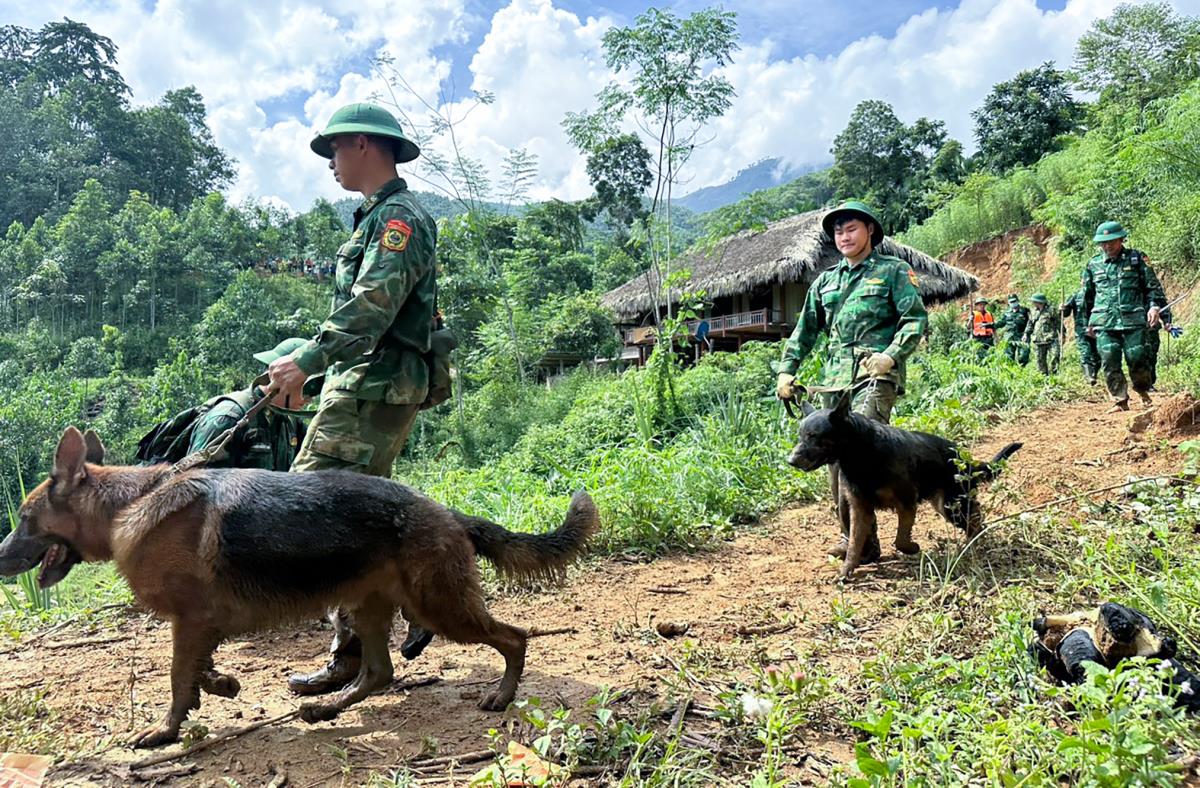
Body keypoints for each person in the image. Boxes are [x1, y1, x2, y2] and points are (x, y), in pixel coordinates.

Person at [267, 102, 440, 697]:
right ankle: (398, 613)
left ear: (365, 144)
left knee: (316, 512)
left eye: (335, 149)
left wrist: (308, 360)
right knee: (348, 516)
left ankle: (373, 637)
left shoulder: (400, 221)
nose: (331, 163)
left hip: (374, 387)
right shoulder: (372, 219)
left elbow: (372, 306)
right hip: (362, 385)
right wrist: (314, 372)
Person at [776, 200, 928, 563]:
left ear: (870, 230)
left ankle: (887, 523)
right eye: (838, 231)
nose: (843, 236)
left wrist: (891, 354)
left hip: (875, 377)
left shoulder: (893, 272)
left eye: (851, 229)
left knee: (866, 448)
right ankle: (857, 539)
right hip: (834, 384)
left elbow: (914, 319)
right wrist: (786, 370)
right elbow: (804, 331)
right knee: (834, 454)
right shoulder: (826, 281)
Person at [135, 338, 312, 470]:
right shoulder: (229, 418)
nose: (311, 398)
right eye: (307, 388)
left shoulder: (290, 422)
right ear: (282, 380)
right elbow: (192, 491)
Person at [1080, 221, 1166, 411]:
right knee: (1109, 358)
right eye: (1103, 243)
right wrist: (1086, 324)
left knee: (1137, 356)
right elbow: (1086, 298)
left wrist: (1154, 307)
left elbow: (1152, 287)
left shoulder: (1137, 259)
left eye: (1111, 242)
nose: (1107, 246)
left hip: (1133, 319)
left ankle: (1143, 390)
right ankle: (1120, 400)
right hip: (1104, 321)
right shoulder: (1093, 264)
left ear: (1121, 239)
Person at [1060, 289, 1100, 385]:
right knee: (1085, 352)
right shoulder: (1075, 295)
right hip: (1081, 330)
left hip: (1097, 329)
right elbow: (1066, 313)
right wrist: (1062, 309)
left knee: (1098, 355)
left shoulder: (1099, 293)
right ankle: (1089, 377)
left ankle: (1094, 374)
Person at [1023, 293, 1061, 375]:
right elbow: (1030, 324)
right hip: (1038, 340)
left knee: (1055, 356)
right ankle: (1044, 378)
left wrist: (1063, 333)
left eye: (1034, 301)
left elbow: (1058, 322)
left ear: (1039, 302)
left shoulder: (1051, 310)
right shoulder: (1033, 311)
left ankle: (1055, 375)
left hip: (1051, 338)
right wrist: (1026, 334)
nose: (1032, 303)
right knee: (1040, 361)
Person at [994, 294, 1031, 365]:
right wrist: (992, 325)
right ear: (1008, 303)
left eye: (1014, 301)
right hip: (1009, 336)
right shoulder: (1006, 313)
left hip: (1022, 336)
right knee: (1009, 356)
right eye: (1011, 302)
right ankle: (1011, 372)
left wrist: (1026, 333)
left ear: (1018, 301)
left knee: (1023, 355)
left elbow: (1030, 322)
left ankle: (1022, 370)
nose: (1013, 303)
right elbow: (1001, 323)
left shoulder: (1025, 311)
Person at [1145, 304, 1173, 388]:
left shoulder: (1152, 291)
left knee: (1151, 356)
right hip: (1130, 327)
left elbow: (1161, 303)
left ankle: (1149, 384)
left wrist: (1167, 322)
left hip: (1151, 327)